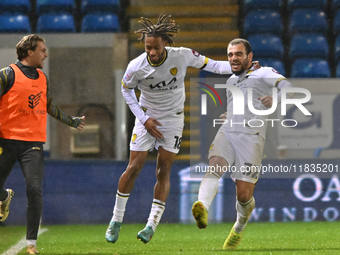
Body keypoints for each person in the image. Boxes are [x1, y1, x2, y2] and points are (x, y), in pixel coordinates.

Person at [105, 14, 260, 244]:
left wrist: (241, 66)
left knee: (163, 169)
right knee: (134, 166)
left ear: (166, 43)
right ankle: (116, 220)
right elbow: (126, 89)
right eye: (148, 48)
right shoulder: (136, 66)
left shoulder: (182, 55)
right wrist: (143, 117)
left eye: (156, 48)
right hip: (146, 118)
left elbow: (214, 65)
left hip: (173, 120)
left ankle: (151, 225)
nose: (152, 52)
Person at [191, 38, 294, 250]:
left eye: (238, 54)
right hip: (228, 130)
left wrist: (275, 98)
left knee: (244, 195)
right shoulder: (230, 81)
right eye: (230, 55)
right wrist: (230, 113)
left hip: (252, 135)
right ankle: (202, 206)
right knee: (215, 166)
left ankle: (239, 226)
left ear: (249, 56)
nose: (233, 58)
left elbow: (288, 87)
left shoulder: (263, 72)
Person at [0, 34, 85, 254]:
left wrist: (71, 121)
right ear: (29, 51)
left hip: (33, 144)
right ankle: (4, 197)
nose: (46, 54)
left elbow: (49, 106)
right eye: (43, 50)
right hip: (6, 140)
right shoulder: (7, 75)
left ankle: (31, 244)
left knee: (34, 189)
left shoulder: (42, 78)